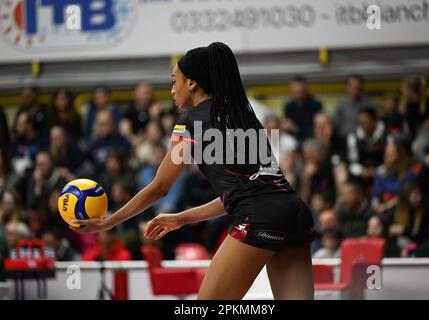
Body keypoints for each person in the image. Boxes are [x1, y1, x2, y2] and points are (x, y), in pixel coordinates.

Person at [72, 42, 316, 300]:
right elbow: (244, 192)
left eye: (174, 80)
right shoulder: (245, 117)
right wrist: (181, 218)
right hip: (295, 212)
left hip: (259, 218)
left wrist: (107, 223)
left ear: (192, 84)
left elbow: (160, 187)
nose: (171, 89)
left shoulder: (189, 124)